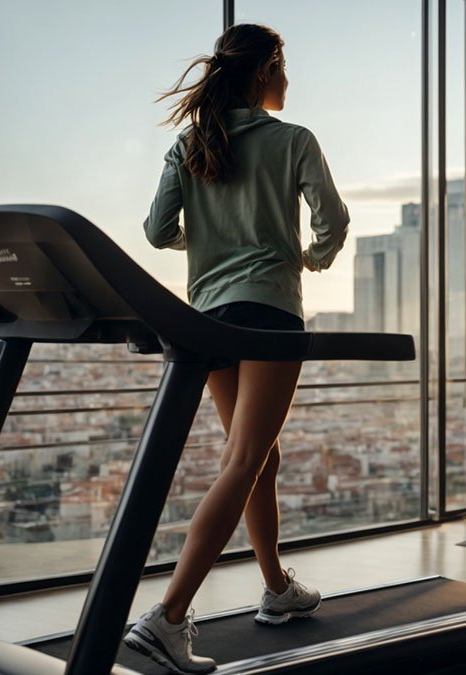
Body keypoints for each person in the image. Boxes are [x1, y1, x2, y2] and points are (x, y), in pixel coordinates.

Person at [123, 23, 349, 674]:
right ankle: (168, 616)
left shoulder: (190, 145)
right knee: (245, 456)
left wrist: (209, 247)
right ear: (264, 72)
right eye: (284, 68)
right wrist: (306, 257)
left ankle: (277, 589)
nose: (288, 81)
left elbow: (156, 229)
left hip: (209, 317)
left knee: (257, 457)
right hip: (270, 310)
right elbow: (332, 222)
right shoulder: (293, 140)